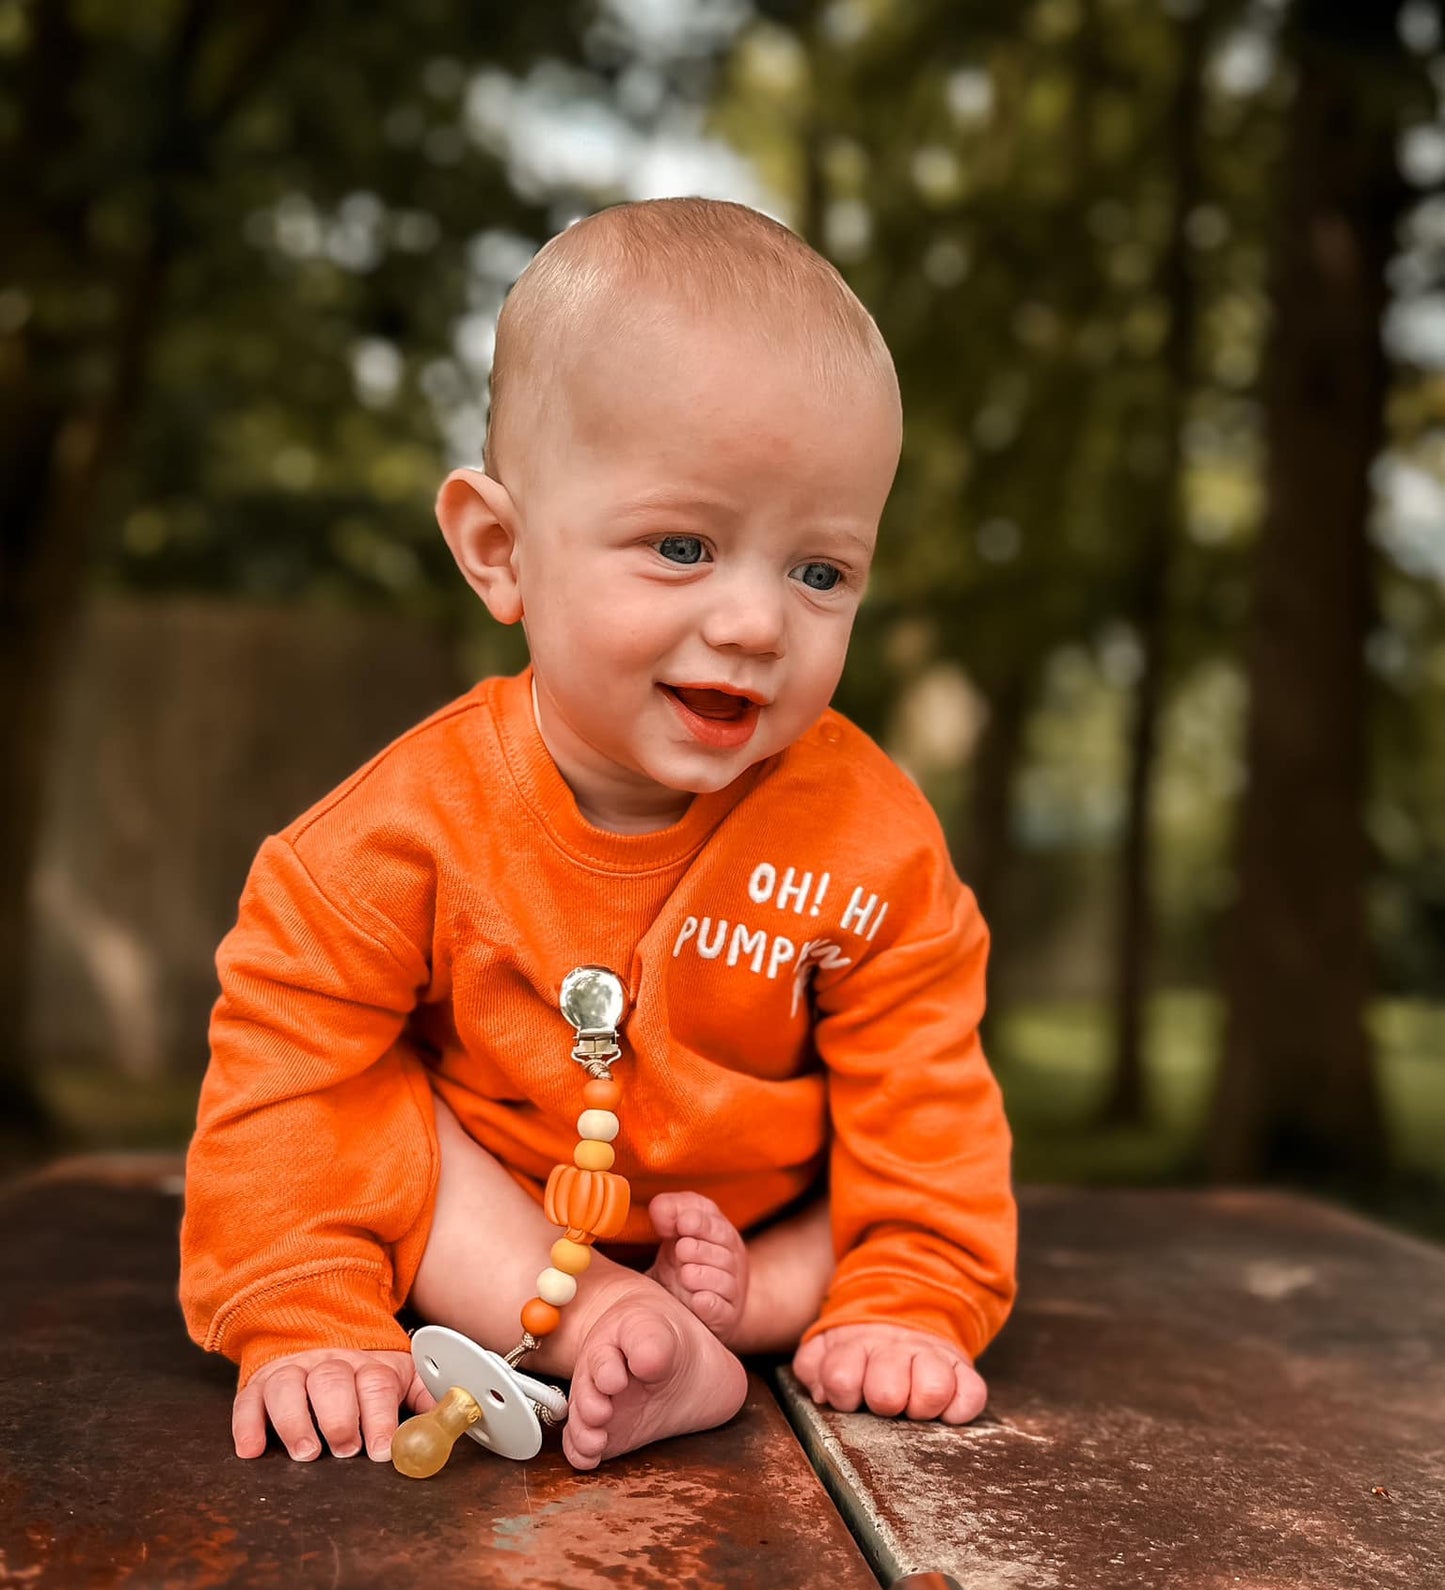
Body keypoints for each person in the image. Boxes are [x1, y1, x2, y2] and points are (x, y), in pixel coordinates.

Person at [179, 197, 1017, 1472]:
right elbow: (290, 1074)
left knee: (862, 1206)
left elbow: (927, 1092)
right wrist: (304, 1313)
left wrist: (907, 1298)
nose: (753, 623)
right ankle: (617, 1323)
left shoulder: (869, 838)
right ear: (500, 550)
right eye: (681, 546)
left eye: (819, 571)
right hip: (499, 1235)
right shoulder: (397, 834)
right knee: (390, 1124)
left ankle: (717, 1326)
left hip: (758, 1240)